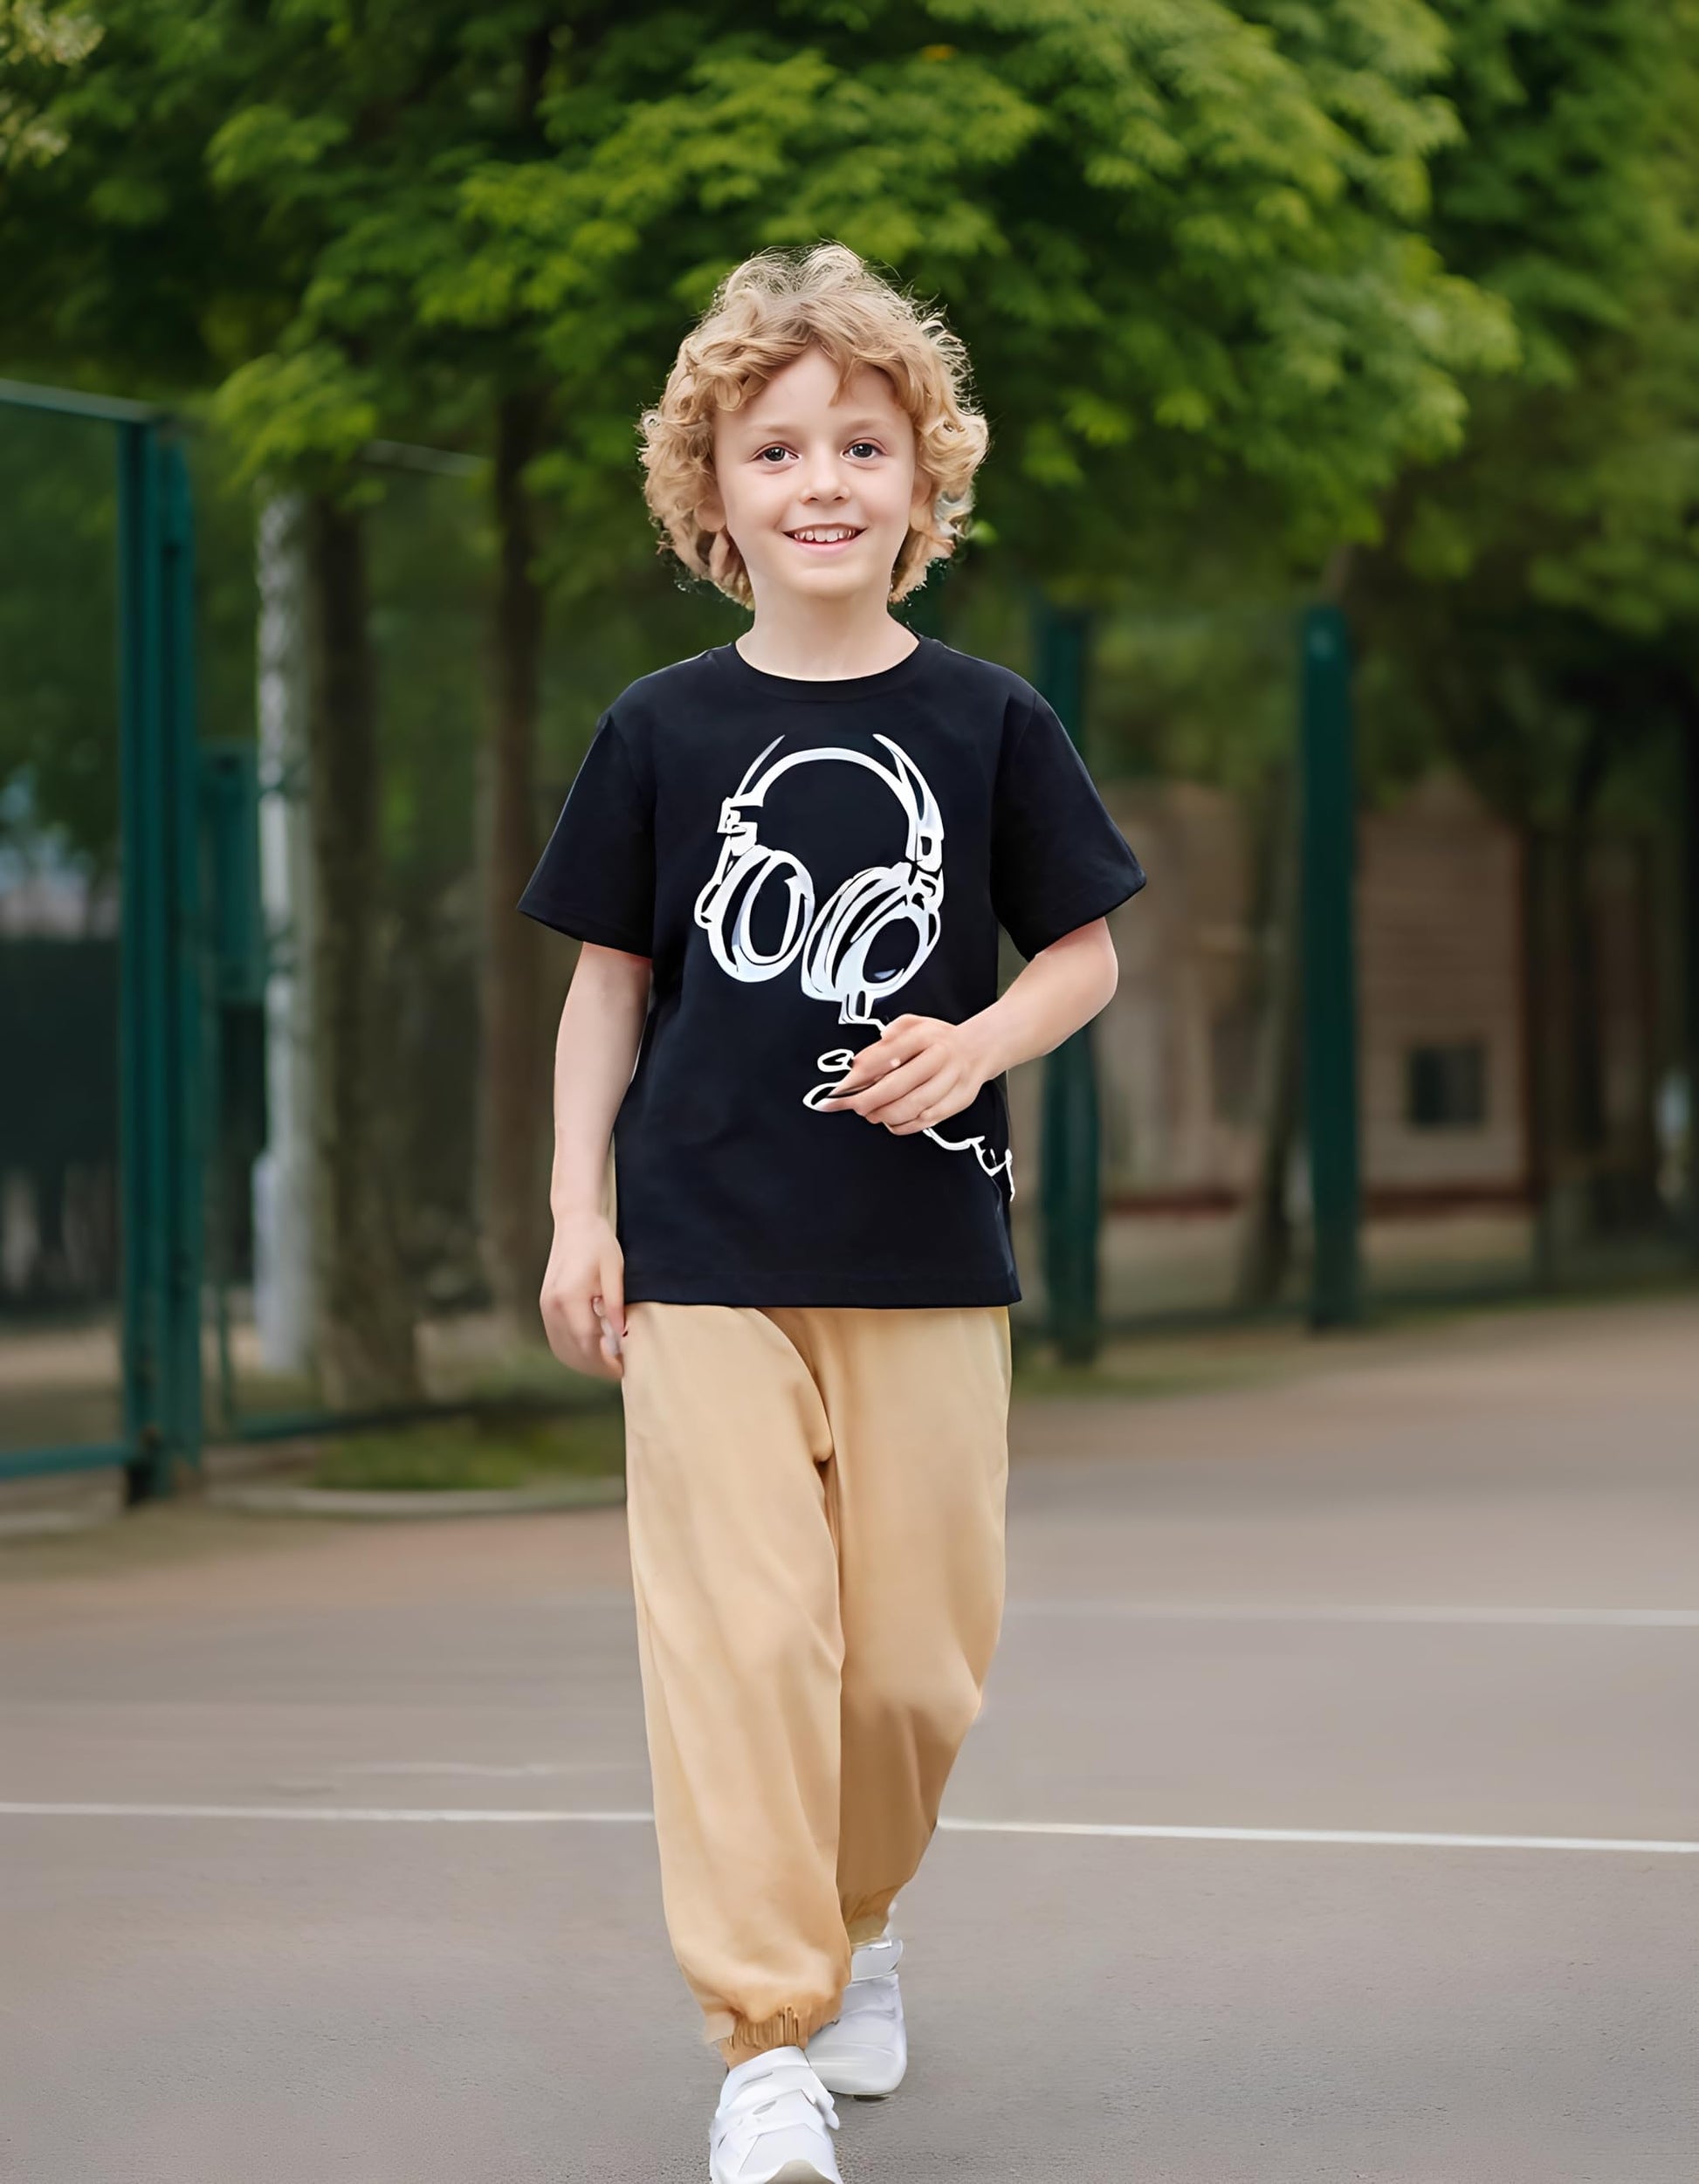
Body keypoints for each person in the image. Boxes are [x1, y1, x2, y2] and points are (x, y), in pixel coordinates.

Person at [521, 241, 1146, 2184]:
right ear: (711, 496)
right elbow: (608, 988)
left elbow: (1088, 955)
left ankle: (862, 1918)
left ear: (921, 488)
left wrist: (977, 1042)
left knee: (904, 1668)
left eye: (860, 446)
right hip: (701, 1253)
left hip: (921, 1261)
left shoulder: (986, 720)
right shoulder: (656, 732)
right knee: (740, 1647)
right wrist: (573, 1219)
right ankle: (763, 2042)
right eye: (774, 447)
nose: (818, 480)